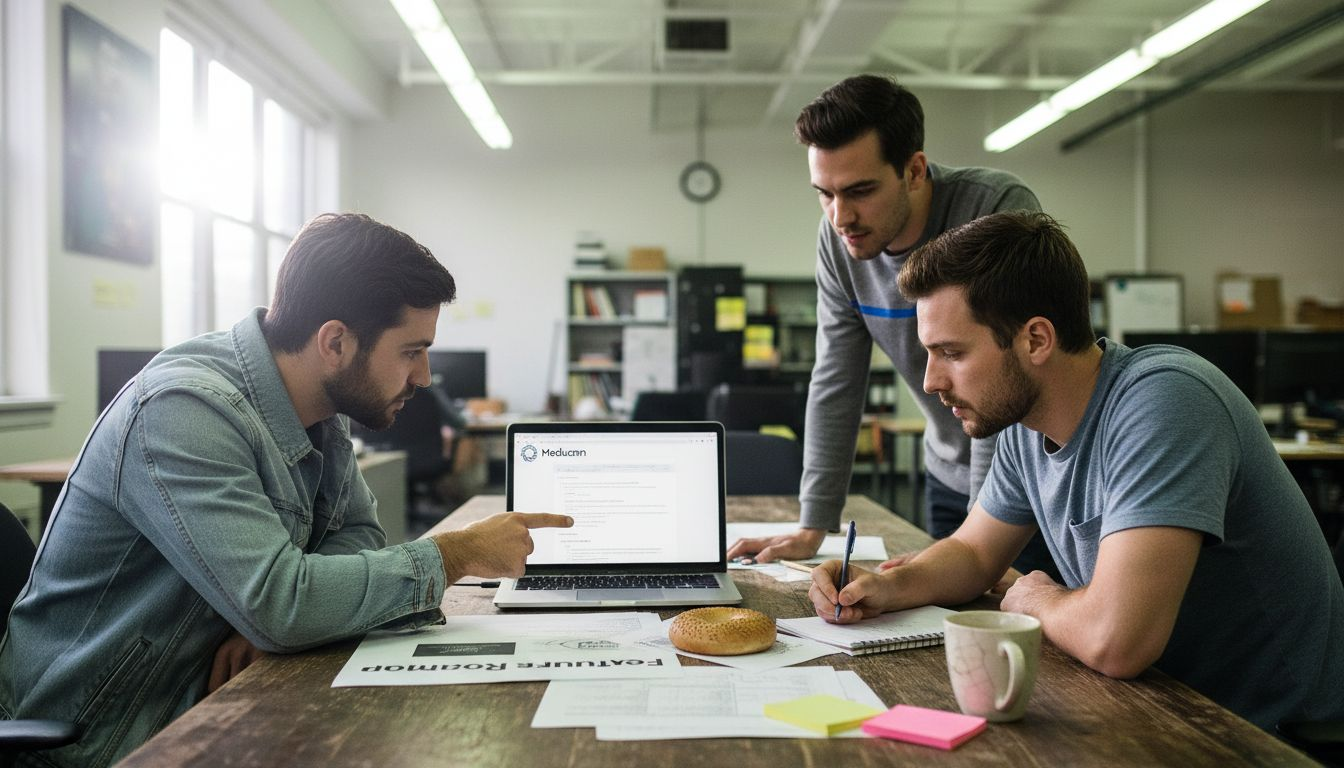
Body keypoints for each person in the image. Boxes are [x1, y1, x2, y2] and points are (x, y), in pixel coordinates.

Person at [0, 213, 572, 767]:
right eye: (411, 351)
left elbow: (357, 535)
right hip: (94, 742)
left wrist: (273, 615)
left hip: (202, 705)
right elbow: (281, 604)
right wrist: (453, 554)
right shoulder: (183, 410)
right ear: (335, 342)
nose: (423, 377)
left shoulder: (319, 406)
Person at [807, 211, 1344, 731]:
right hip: (1164, 706)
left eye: (951, 352)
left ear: (1036, 340)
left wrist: (1034, 598)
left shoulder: (1165, 402)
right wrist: (884, 586)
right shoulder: (1024, 424)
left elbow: (1117, 641)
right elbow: (974, 554)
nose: (930, 381)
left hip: (1271, 732)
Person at [727, 74, 1057, 581]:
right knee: (940, 625)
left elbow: (1004, 378)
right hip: (947, 473)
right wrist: (813, 524)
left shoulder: (991, 209)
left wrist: (979, 538)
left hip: (1026, 484)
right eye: (825, 194)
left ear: (914, 170)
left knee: (1021, 625)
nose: (841, 216)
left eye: (860, 191)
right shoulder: (838, 242)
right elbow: (836, 380)